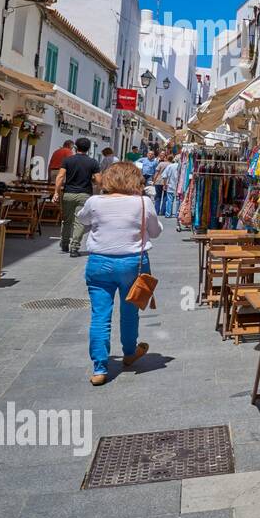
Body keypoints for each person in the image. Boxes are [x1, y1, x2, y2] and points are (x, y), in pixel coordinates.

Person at [76, 161, 159, 386]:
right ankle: (130, 352)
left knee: (100, 315)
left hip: (99, 263)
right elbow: (156, 231)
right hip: (133, 264)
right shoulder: (143, 202)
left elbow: (82, 219)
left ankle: (100, 367)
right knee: (130, 310)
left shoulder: (95, 201)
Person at [53, 137, 101, 257]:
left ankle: (64, 244)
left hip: (68, 194)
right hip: (84, 194)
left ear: (76, 147)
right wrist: (97, 189)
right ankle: (74, 247)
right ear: (88, 148)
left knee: (66, 220)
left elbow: (60, 177)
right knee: (79, 222)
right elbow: (99, 180)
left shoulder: (68, 160)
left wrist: (56, 192)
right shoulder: (93, 162)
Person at [160, 153, 181, 218]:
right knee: (178, 201)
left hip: (170, 185)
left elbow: (164, 176)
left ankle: (168, 214)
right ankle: (177, 214)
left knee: (169, 200)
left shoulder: (170, 166)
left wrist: (164, 184)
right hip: (179, 187)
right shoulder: (182, 166)